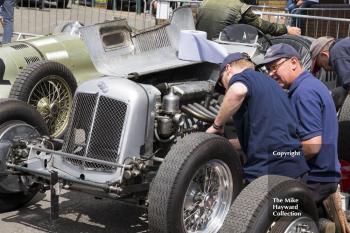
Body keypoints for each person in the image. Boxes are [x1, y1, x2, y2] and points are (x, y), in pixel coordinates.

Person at [261, 44, 346, 233]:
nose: (271, 73)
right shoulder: (310, 85)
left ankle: (324, 227)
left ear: (293, 62)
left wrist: (277, 156)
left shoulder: (304, 93)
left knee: (266, 213)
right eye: (268, 69)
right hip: (323, 175)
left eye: (275, 67)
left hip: (316, 179)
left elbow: (312, 146)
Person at [206, 52, 309, 183]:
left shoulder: (243, 77)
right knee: (288, 204)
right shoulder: (272, 86)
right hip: (295, 170)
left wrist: (217, 125)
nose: (226, 90)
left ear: (228, 69)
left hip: (268, 174)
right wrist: (224, 145)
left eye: (222, 84)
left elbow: (237, 91)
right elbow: (262, 135)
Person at [196, 0, 301, 40]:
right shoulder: (239, 7)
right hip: (223, 51)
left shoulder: (204, 3)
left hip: (203, 47)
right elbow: (263, 26)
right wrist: (286, 29)